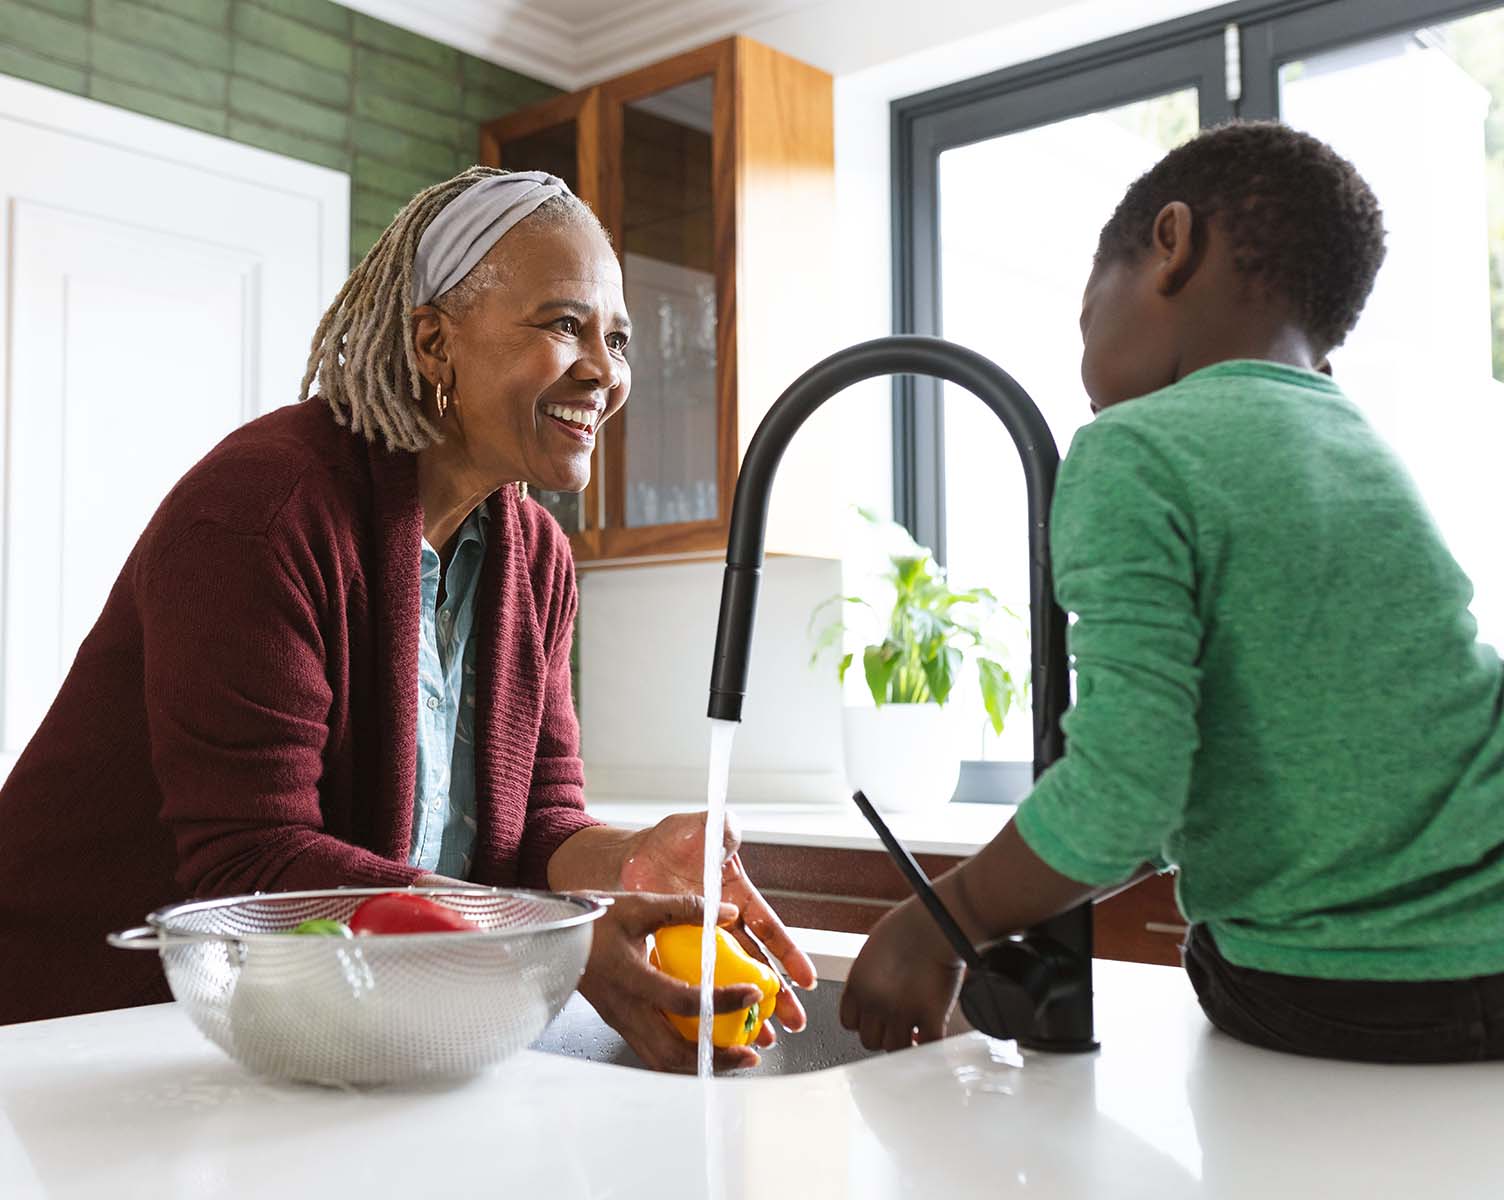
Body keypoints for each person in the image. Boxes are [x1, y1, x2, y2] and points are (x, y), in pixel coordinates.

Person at [0, 167, 815, 1070]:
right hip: (76, 1035)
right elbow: (253, 867)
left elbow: (535, 833)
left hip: (312, 1032)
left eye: (617, 339)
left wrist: (632, 853)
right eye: (563, 323)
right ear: (434, 342)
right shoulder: (263, 511)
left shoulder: (535, 557)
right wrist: (559, 944)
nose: (604, 372)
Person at [841, 121, 1504, 1063]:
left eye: (1083, 316)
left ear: (1171, 245)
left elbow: (1125, 794)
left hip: (1326, 989)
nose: (1082, 372)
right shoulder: (1363, 449)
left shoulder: (1135, 447)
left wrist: (941, 918)